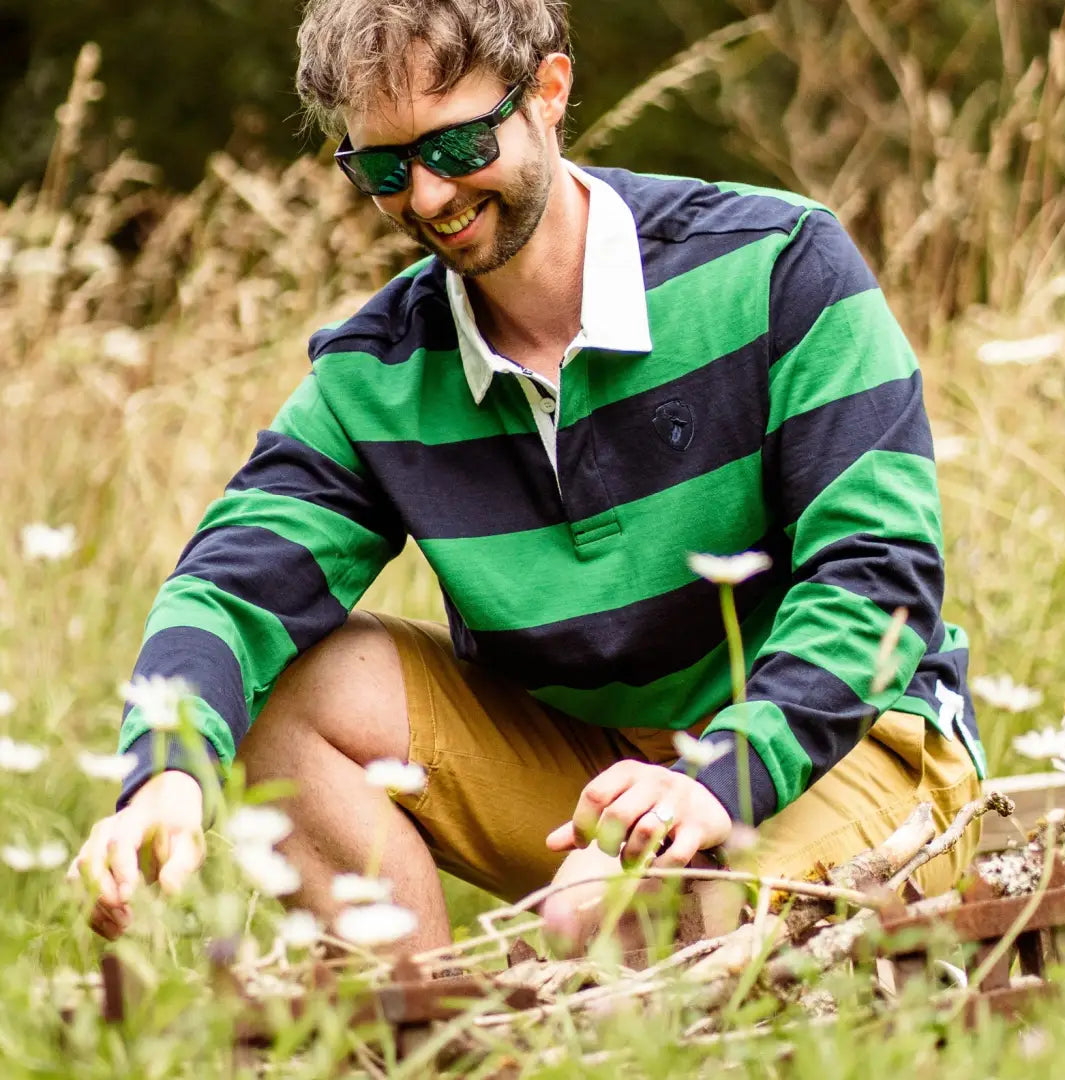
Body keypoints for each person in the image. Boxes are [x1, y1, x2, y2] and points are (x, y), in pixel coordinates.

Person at [71, 0, 987, 950]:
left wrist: (721, 777)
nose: (427, 197)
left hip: (847, 747)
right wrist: (168, 772)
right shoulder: (374, 372)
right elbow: (228, 586)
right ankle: (404, 1035)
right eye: (384, 168)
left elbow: (877, 577)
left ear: (549, 92)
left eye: (458, 146)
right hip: (583, 776)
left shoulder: (779, 264)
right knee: (287, 692)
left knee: (617, 916)